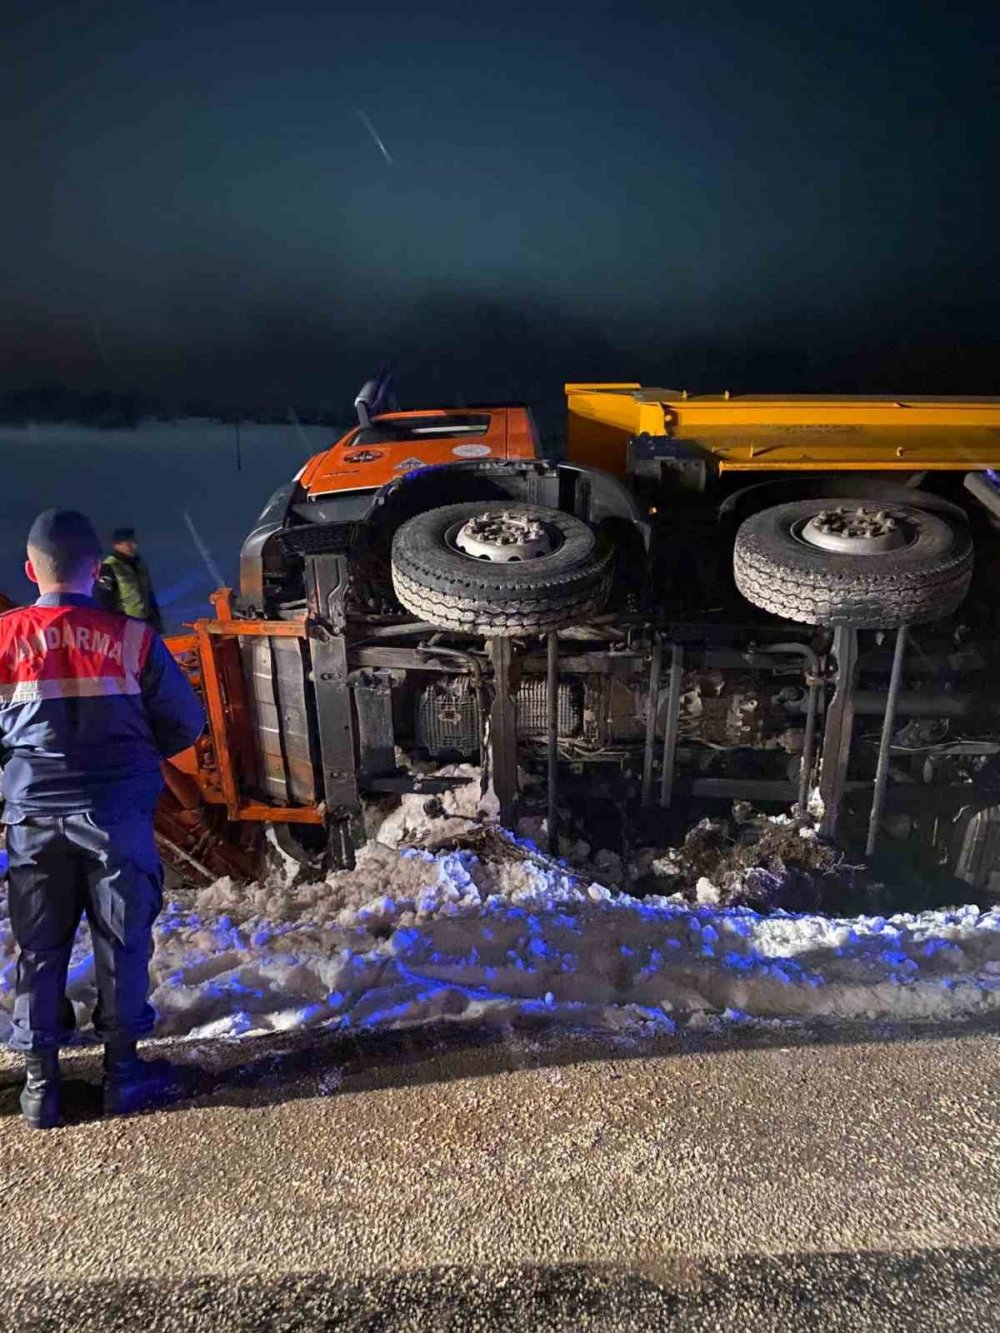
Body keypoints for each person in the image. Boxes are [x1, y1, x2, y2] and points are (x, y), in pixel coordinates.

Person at [0, 509, 205, 1128]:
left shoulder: (3, 638)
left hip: (32, 818)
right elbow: (186, 724)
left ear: (30, 569)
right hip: (117, 816)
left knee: (39, 947)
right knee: (122, 940)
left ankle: (40, 1089)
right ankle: (124, 1076)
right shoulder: (133, 638)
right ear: (95, 572)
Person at [95, 526, 163, 632]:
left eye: (134, 542)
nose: (134, 546)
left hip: (147, 623)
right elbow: (104, 598)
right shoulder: (109, 566)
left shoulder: (140, 564)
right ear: (118, 545)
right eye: (129, 543)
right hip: (126, 625)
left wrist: (157, 622)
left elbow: (149, 594)